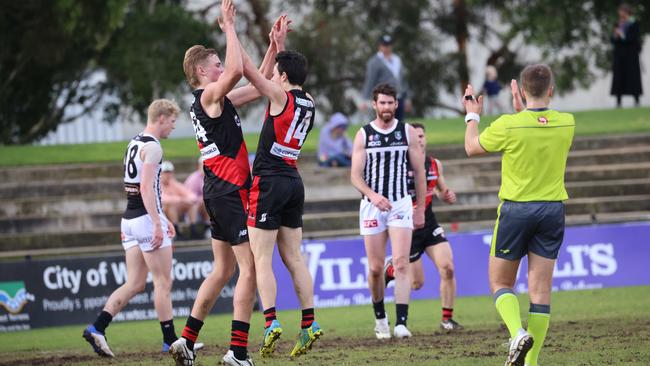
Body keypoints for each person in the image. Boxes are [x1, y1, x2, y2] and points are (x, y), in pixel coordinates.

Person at [168, 3, 289, 366]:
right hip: (231, 189)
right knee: (249, 269)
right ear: (202, 71)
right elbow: (237, 70)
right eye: (216, 64)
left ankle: (186, 341)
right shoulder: (208, 97)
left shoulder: (215, 100)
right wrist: (230, 27)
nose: (223, 66)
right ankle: (237, 352)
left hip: (217, 190)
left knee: (222, 270)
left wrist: (272, 46)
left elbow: (256, 83)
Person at [463, 64, 575, 366]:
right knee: (540, 291)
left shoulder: (508, 125)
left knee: (500, 284)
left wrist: (472, 115)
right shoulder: (568, 123)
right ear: (551, 90)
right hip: (552, 211)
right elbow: (537, 125)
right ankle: (532, 362)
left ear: (521, 91)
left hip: (517, 210)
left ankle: (516, 333)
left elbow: (472, 147)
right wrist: (522, 109)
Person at [82, 99, 198, 356]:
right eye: (171, 122)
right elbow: (147, 187)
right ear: (161, 118)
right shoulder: (153, 148)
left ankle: (97, 327)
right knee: (163, 281)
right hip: (145, 220)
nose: (173, 127)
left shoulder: (133, 142)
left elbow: (136, 187)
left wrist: (161, 218)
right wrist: (157, 221)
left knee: (135, 283)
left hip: (130, 219)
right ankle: (170, 341)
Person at [239, 44, 322, 357]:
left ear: (284, 77)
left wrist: (231, 32)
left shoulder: (279, 96)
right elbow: (285, 79)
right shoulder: (310, 102)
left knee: (262, 258)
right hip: (293, 180)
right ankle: (309, 324)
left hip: (269, 182)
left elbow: (249, 73)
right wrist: (279, 46)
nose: (272, 77)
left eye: (276, 73)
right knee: (294, 258)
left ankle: (271, 321)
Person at [350, 83, 426, 340]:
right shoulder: (364, 134)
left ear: (396, 105)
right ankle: (380, 318)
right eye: (382, 103)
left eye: (390, 103)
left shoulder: (407, 132)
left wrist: (420, 208)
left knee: (402, 263)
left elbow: (419, 172)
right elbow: (355, 176)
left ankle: (402, 322)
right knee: (375, 268)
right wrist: (372, 195)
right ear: (374, 105)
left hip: (400, 204)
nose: (386, 107)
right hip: (372, 206)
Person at [384, 122, 463, 331]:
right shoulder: (401, 165)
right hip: (407, 228)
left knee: (447, 267)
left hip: (429, 223)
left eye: (422, 136)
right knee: (416, 284)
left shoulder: (435, 164)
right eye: (415, 136)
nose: (419, 139)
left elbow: (439, 189)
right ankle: (391, 270)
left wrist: (446, 195)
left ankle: (447, 319)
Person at [360, 34, 412, 122]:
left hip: (399, 97)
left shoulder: (397, 59)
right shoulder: (374, 62)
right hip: (384, 99)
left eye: (388, 45)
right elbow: (370, 81)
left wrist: (407, 98)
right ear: (380, 46)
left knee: (399, 125)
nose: (386, 48)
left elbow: (403, 80)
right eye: (384, 45)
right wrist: (364, 99)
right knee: (384, 124)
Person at [611, 3, 643, 107]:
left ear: (627, 12)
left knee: (633, 77)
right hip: (619, 56)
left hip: (631, 55)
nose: (620, 14)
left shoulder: (634, 23)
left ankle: (636, 101)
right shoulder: (617, 24)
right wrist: (615, 36)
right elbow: (613, 40)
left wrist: (622, 35)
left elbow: (634, 39)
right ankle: (618, 102)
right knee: (619, 78)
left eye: (622, 12)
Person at [159, 160, 202, 238]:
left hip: (175, 211)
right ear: (161, 173)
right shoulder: (157, 184)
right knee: (171, 205)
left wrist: (186, 200)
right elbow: (163, 199)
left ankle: (193, 228)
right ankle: (176, 231)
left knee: (191, 204)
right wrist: (182, 199)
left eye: (169, 172)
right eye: (165, 172)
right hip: (162, 213)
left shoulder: (174, 183)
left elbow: (191, 195)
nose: (168, 175)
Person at [183, 157, 210, 232]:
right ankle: (202, 227)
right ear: (199, 166)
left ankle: (209, 226)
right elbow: (191, 198)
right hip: (194, 210)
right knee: (207, 200)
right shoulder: (193, 179)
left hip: (206, 207)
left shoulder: (210, 177)